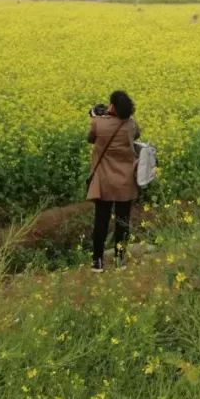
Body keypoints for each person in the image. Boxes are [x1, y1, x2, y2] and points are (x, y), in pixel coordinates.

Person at [87, 91, 141, 272]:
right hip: (124, 181)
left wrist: (96, 115)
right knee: (122, 222)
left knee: (100, 221)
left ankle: (98, 262)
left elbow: (90, 138)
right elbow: (136, 135)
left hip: (104, 182)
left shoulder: (99, 123)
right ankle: (120, 261)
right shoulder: (130, 125)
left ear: (112, 106)